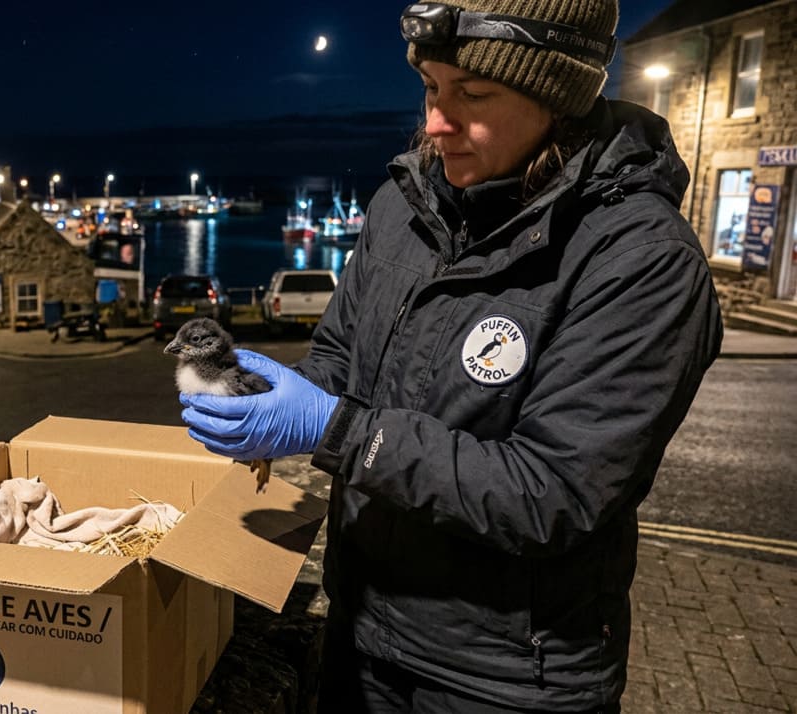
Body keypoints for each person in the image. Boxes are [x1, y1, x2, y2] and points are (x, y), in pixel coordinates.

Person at [179, 1, 723, 711]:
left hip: (506, 676)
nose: (436, 123)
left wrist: (334, 429)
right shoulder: (399, 207)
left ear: (557, 97)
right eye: (431, 88)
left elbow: (554, 494)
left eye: (473, 94)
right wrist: (265, 400)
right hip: (361, 625)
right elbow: (341, 354)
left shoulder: (642, 262)